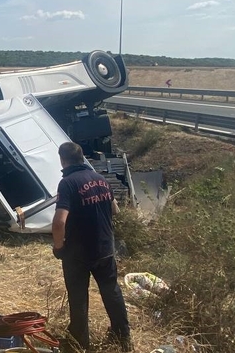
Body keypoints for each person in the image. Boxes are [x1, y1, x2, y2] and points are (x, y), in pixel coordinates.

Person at [52, 142, 132, 352]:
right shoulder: (101, 179)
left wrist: (58, 247)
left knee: (78, 297)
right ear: (82, 158)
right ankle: (122, 335)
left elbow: (59, 222)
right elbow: (115, 210)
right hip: (105, 248)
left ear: (63, 159)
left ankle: (80, 342)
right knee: (111, 291)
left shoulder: (67, 183)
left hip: (78, 253)